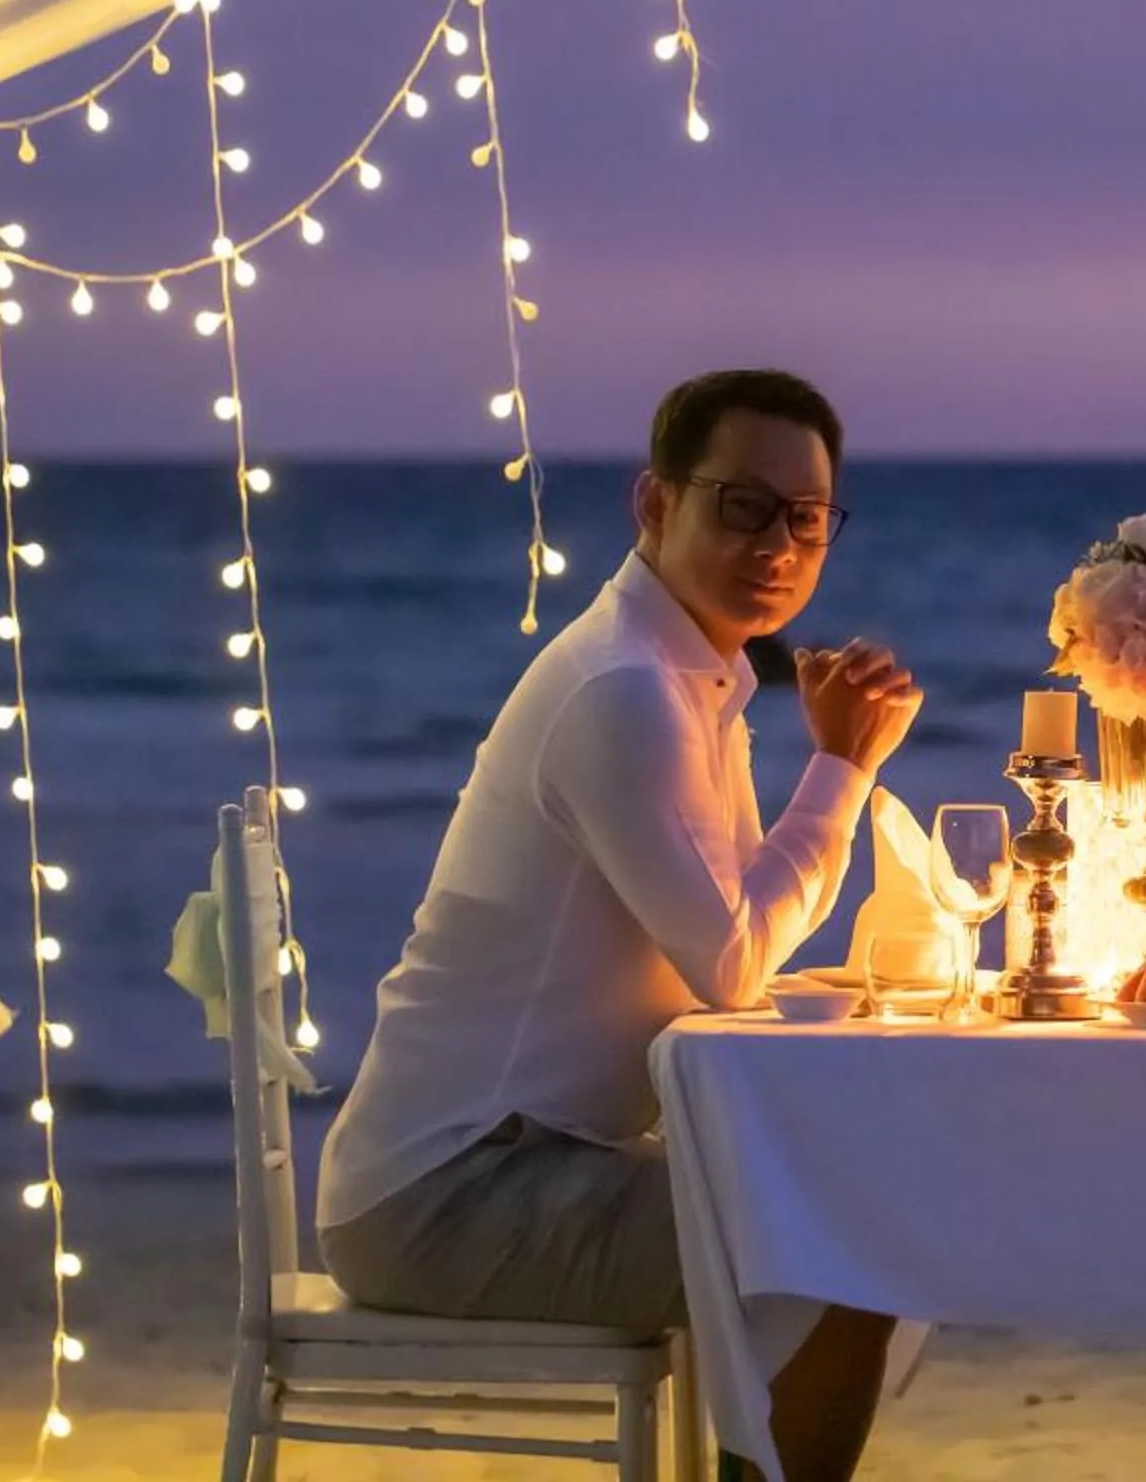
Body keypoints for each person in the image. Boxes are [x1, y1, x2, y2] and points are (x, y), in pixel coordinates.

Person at [318, 368, 917, 1482]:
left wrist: (834, 768)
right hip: (446, 1193)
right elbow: (735, 963)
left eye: (807, 516)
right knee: (842, 1244)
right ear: (655, 502)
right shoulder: (625, 690)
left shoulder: (694, 677)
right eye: (743, 503)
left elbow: (729, 937)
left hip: (529, 1159)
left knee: (840, 1206)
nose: (778, 542)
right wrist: (840, 765)